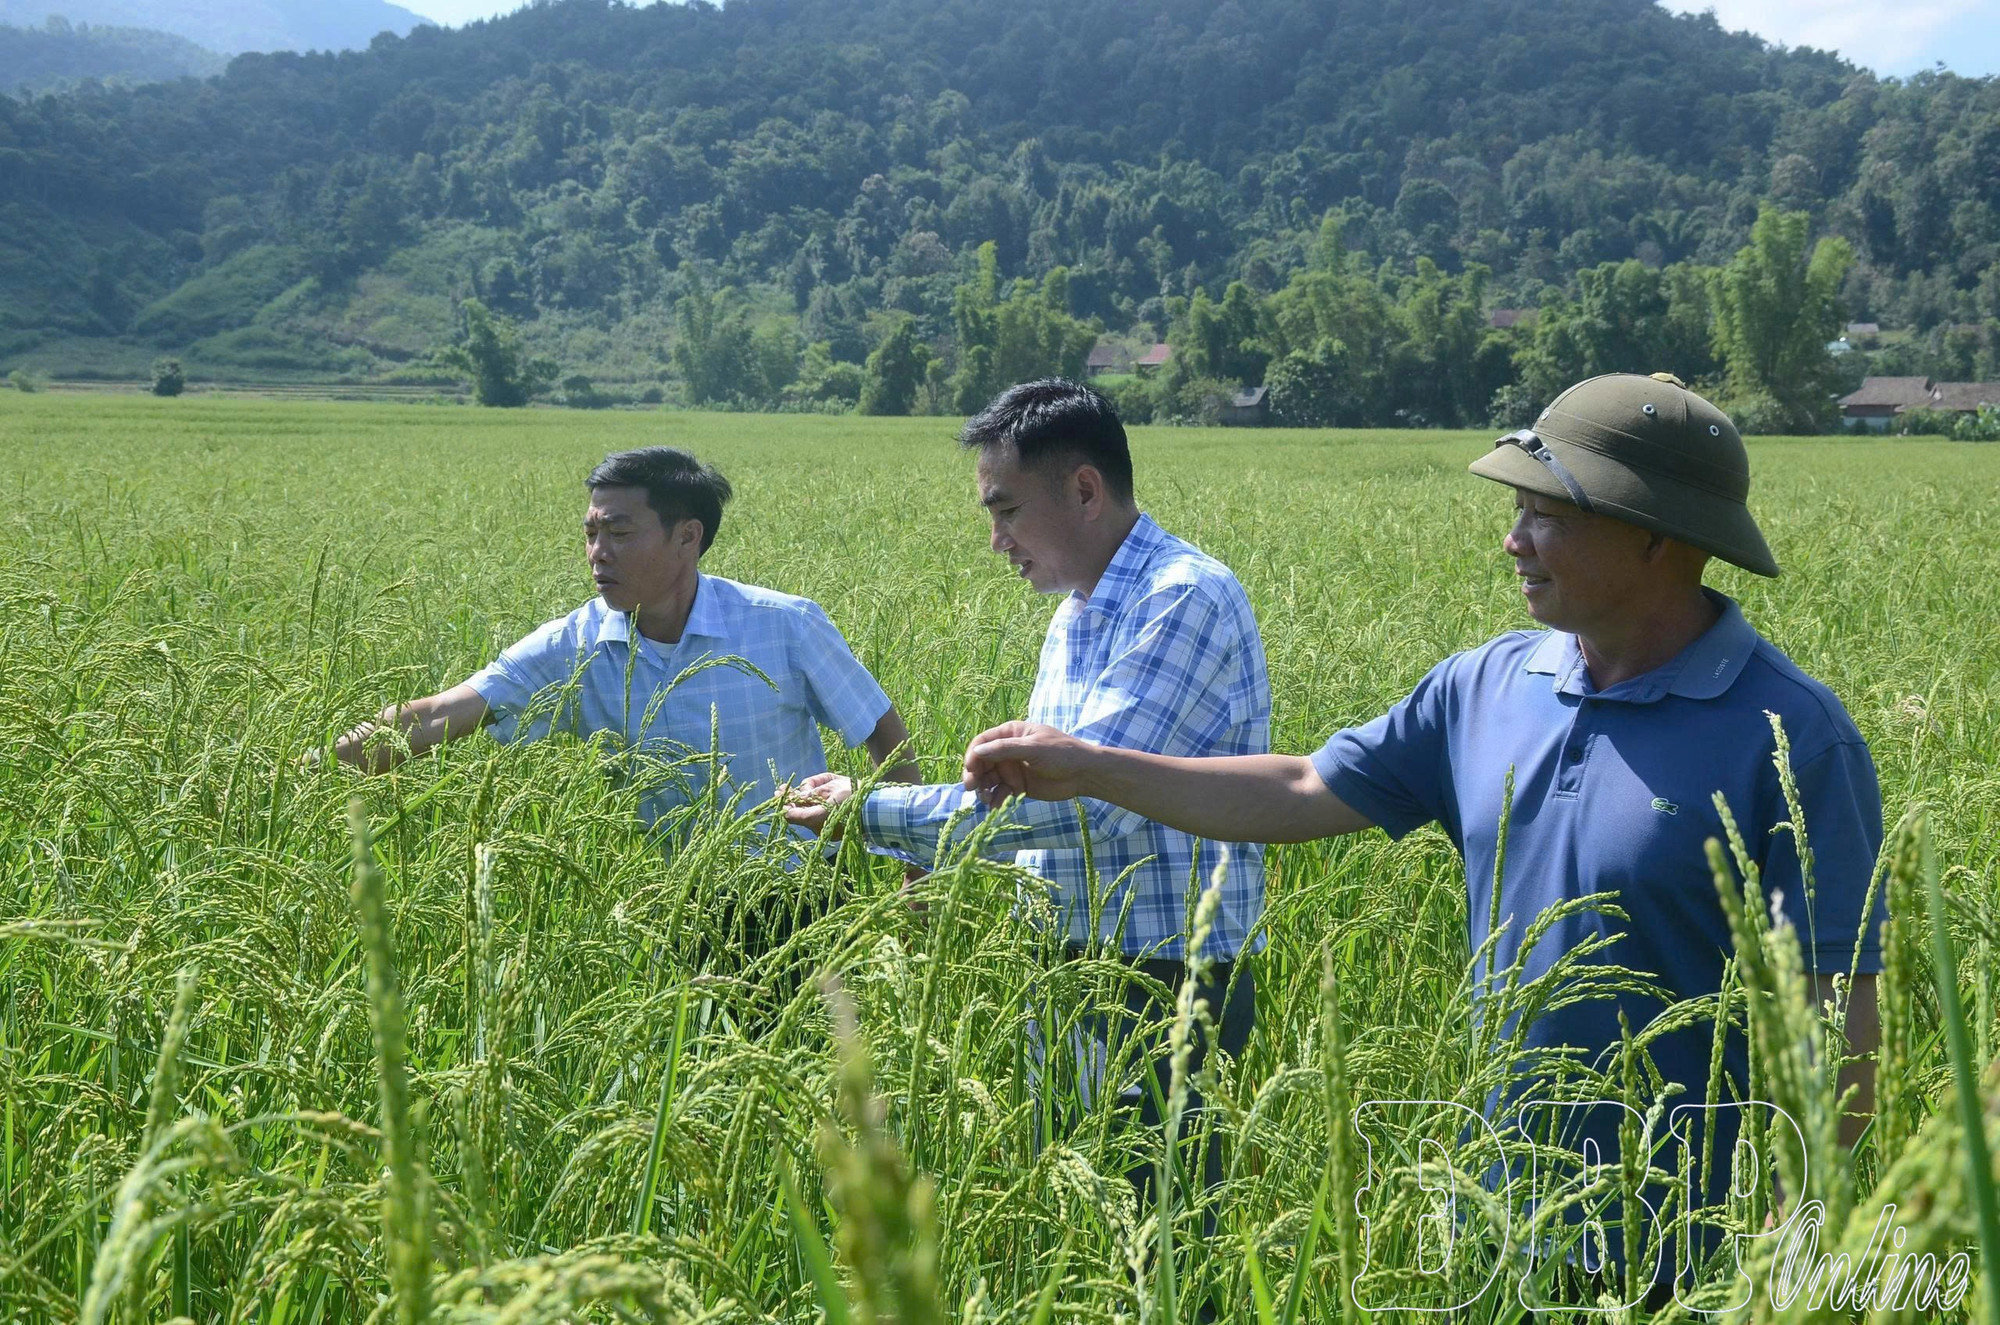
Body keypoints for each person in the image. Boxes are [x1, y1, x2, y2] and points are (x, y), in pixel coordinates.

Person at [960, 373, 1885, 1299]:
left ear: (1657, 533)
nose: (1512, 540)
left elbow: (1837, 1027)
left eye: (1546, 515)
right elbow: (1303, 786)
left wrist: (1788, 1255)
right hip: (1488, 1227)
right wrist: (1091, 766)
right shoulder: (1485, 687)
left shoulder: (1791, 737)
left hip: (1684, 1250)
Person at [784, 378, 1272, 1195]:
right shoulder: (1077, 610)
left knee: (1161, 1248)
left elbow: (1083, 804)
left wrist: (869, 810)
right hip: (1069, 966)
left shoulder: (1180, 599)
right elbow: (1032, 795)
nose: (996, 541)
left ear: (1084, 490)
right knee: (1077, 1231)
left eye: (1005, 511)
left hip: (1158, 983)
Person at [326, 444, 918, 857]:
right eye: (591, 533)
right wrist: (299, 776)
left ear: (688, 536)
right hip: (660, 910)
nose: (597, 553)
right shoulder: (573, 647)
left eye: (620, 533)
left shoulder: (783, 625)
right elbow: (437, 715)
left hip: (797, 893)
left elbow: (881, 730)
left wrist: (915, 863)